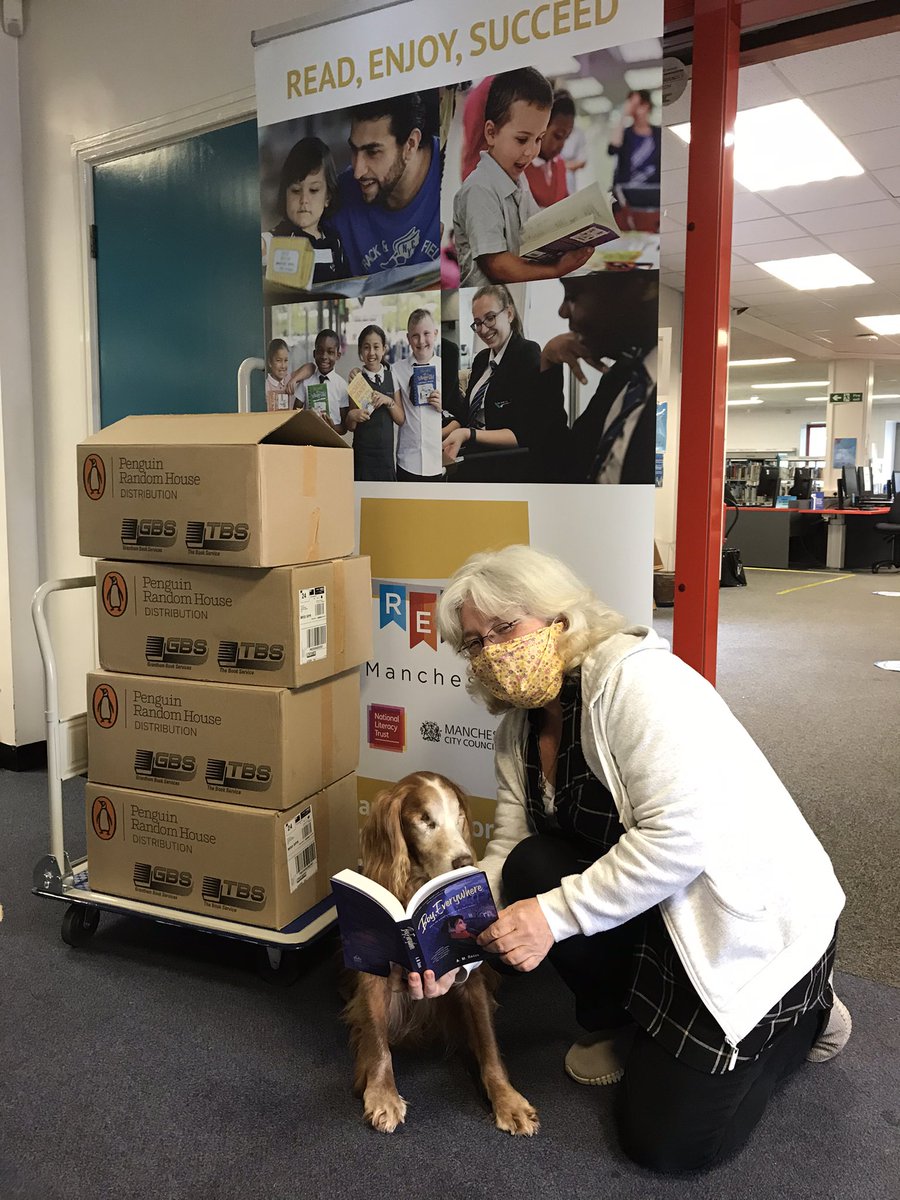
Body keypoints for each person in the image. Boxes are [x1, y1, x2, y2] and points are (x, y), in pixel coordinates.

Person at [434, 543, 850, 1174]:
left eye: (505, 628)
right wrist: (447, 938)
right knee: (531, 865)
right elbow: (512, 847)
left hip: (738, 924)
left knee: (669, 1147)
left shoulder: (636, 681)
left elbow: (683, 837)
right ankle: (621, 1022)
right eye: (473, 643)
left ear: (558, 617)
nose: (492, 652)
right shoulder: (518, 729)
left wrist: (552, 917)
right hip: (659, 911)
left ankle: (806, 1016)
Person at [452, 68, 593, 287]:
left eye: (538, 139)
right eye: (521, 139)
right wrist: (556, 269)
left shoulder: (518, 179)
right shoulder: (479, 188)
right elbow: (498, 265)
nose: (531, 152)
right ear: (491, 133)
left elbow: (535, 232)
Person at [532, 271, 660, 484]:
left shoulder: (671, 392)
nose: (562, 312)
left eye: (573, 295)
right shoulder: (623, 378)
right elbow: (561, 464)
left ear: (647, 287)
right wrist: (548, 362)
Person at [330, 93, 440, 278]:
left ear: (410, 145)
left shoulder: (456, 175)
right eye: (354, 150)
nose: (358, 171)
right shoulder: (337, 196)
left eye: (372, 152)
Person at [441, 284, 542, 477]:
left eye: (490, 318)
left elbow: (523, 433)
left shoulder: (527, 354)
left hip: (505, 465)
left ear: (509, 314)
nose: (483, 329)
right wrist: (440, 436)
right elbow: (464, 416)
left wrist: (468, 434)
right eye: (477, 323)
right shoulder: (481, 359)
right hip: (472, 456)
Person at [262, 136, 351, 285]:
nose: (304, 199)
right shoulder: (278, 239)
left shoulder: (334, 241)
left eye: (314, 190)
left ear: (328, 197)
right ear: (285, 195)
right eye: (296, 190)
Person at [344, 324, 404, 481]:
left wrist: (388, 401)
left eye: (376, 347)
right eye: (366, 348)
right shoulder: (356, 380)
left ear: (384, 349)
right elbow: (351, 426)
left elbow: (401, 419)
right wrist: (352, 415)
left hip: (385, 458)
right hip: (362, 457)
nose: (371, 353)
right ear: (360, 352)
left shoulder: (392, 378)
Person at [391, 309, 444, 482]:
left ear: (435, 334)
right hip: (407, 460)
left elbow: (460, 412)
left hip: (438, 460)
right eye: (415, 336)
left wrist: (444, 406)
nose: (421, 341)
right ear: (408, 339)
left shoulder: (446, 367)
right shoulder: (397, 370)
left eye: (426, 333)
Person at [524, 90, 575, 210]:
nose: (561, 145)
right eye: (557, 136)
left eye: (566, 138)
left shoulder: (560, 165)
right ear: (542, 127)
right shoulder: (521, 165)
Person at [293, 329, 350, 430]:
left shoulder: (342, 386)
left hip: (332, 443)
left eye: (330, 352)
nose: (324, 356)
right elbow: (295, 415)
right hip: (308, 440)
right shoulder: (306, 382)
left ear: (338, 355)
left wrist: (331, 428)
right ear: (314, 354)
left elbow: (344, 427)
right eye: (320, 351)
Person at [608, 90, 662, 191]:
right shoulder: (625, 134)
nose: (637, 110)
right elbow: (612, 148)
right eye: (633, 105)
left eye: (640, 104)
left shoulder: (659, 134)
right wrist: (624, 114)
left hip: (654, 191)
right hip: (628, 192)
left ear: (647, 106)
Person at [264, 338, 313, 412]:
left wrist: (294, 380)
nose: (283, 366)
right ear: (270, 362)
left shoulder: (289, 378)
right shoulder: (266, 384)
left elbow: (311, 367)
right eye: (278, 360)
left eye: (286, 360)